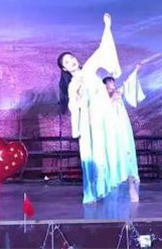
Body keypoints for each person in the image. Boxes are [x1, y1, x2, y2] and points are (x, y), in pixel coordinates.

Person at [58, 13, 139, 203]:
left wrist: (107, 27)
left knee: (120, 147)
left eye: (72, 58)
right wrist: (78, 100)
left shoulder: (88, 68)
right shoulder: (73, 85)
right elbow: (73, 105)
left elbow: (102, 50)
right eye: (67, 62)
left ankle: (130, 187)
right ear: (64, 69)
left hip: (106, 116)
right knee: (97, 154)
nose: (72, 61)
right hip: (91, 123)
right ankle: (95, 190)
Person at [103, 62, 145, 201]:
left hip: (122, 124)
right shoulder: (102, 98)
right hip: (110, 125)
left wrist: (136, 70)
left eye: (112, 83)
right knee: (113, 148)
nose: (112, 85)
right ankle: (114, 175)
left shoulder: (119, 91)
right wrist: (111, 98)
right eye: (109, 83)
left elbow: (128, 83)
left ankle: (129, 174)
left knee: (126, 146)